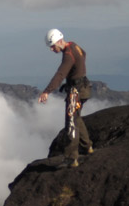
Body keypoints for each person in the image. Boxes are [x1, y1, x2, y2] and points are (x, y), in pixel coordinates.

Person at [38, 28, 92, 168]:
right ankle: (88, 147)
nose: (51, 49)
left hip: (76, 92)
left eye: (52, 46)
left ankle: (71, 159)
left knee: (71, 124)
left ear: (59, 41)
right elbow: (84, 54)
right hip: (84, 88)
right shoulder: (74, 46)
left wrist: (46, 92)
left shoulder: (68, 55)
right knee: (77, 118)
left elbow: (60, 74)